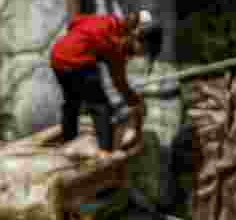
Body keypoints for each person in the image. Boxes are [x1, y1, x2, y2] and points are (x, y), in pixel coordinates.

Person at [50, 9, 160, 158]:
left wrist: (79, 39)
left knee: (72, 102)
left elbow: (74, 22)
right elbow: (119, 82)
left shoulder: (106, 20)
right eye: (144, 50)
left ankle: (68, 142)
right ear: (137, 35)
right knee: (100, 106)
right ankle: (104, 153)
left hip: (58, 55)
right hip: (78, 60)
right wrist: (135, 102)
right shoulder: (116, 42)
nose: (140, 55)